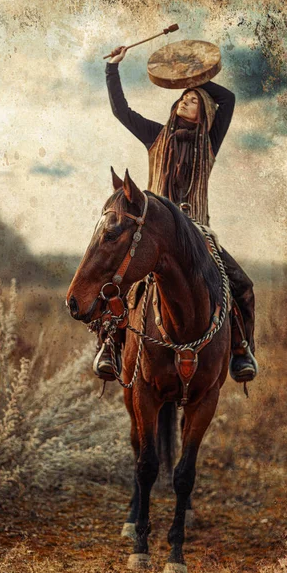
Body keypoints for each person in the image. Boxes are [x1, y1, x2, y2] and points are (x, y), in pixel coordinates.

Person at [94, 45, 258, 385]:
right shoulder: (156, 136)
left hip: (197, 235)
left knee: (242, 284)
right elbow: (120, 110)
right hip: (155, 233)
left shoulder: (210, 141)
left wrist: (192, 77)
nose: (187, 99)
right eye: (184, 96)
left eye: (195, 99)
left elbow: (227, 99)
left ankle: (242, 350)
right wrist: (112, 68)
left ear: (204, 112)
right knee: (123, 282)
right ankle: (110, 345)